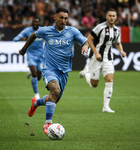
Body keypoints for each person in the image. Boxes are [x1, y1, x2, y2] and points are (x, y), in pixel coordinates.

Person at [19, 7, 88, 135]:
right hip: (49, 68)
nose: (64, 20)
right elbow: (33, 36)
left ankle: (36, 103)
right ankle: (48, 124)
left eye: (66, 18)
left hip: (64, 71)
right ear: (55, 17)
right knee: (55, 91)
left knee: (54, 98)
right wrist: (23, 50)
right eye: (61, 17)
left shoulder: (72, 31)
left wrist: (84, 46)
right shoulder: (46, 31)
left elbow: (85, 41)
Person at [82, 8, 126, 113]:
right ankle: (86, 73)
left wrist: (121, 51)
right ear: (106, 17)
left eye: (113, 16)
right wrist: (96, 53)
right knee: (94, 84)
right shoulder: (100, 27)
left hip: (108, 59)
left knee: (110, 80)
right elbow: (89, 39)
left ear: (116, 17)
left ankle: (106, 107)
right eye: (109, 16)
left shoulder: (116, 30)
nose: (111, 18)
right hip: (96, 58)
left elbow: (117, 43)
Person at [13, 17, 44, 99]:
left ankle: (31, 71)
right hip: (31, 54)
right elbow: (20, 35)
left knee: (39, 77)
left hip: (41, 56)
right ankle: (36, 94)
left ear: (39, 23)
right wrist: (16, 38)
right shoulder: (28, 30)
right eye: (33, 22)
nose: (35, 23)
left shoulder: (42, 30)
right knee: (34, 74)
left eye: (36, 22)